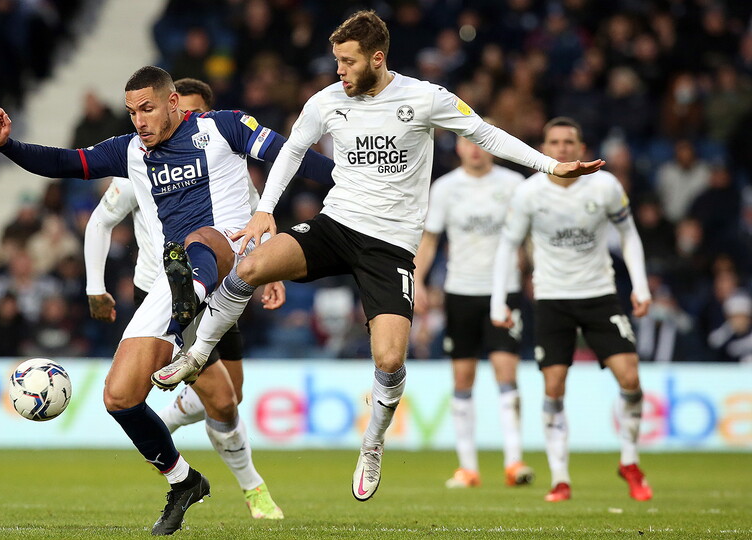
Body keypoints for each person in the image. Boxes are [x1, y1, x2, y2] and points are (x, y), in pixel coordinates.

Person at [154, 10, 603, 503]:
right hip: (337, 224)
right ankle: (197, 354)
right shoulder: (327, 100)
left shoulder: (424, 97)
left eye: (347, 62)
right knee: (253, 265)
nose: (339, 71)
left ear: (377, 58)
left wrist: (550, 165)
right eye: (336, 61)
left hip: (389, 245)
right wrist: (265, 211)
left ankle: (372, 443)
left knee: (389, 358)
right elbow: (293, 152)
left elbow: (484, 133)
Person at [0, 66, 333, 535]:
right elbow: (66, 163)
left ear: (173, 105)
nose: (139, 120)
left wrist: (350, 181)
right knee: (119, 397)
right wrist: (7, 146)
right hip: (173, 281)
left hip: (231, 255)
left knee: (199, 243)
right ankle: (183, 480)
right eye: (131, 112)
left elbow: (291, 156)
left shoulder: (222, 126)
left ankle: (190, 323)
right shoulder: (129, 152)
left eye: (147, 108)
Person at [83, 78, 326, 520]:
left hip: (220, 278)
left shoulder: (221, 157)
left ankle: (173, 416)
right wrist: (94, 287)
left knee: (230, 397)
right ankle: (251, 488)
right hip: (164, 289)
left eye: (194, 115)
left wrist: (268, 269)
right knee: (219, 399)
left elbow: (253, 221)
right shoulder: (139, 162)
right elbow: (99, 223)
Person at [490, 117, 653, 502]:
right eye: (554, 142)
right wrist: (500, 300)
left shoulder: (606, 186)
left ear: (581, 149)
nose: (562, 148)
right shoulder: (529, 193)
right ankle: (560, 478)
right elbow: (506, 247)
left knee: (630, 378)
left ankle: (629, 461)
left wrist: (641, 285)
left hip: (600, 295)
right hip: (552, 299)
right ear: (544, 148)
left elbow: (629, 234)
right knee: (554, 386)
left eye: (569, 142)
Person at [413, 132, 534, 489]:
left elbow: (529, 237)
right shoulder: (446, 188)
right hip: (460, 291)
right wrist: (418, 282)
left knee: (505, 372)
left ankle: (514, 462)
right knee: (462, 379)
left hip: (504, 290)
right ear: (460, 148)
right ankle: (468, 468)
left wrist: (536, 273)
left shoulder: (515, 184)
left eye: (481, 142)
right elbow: (430, 239)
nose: (476, 149)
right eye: (468, 142)